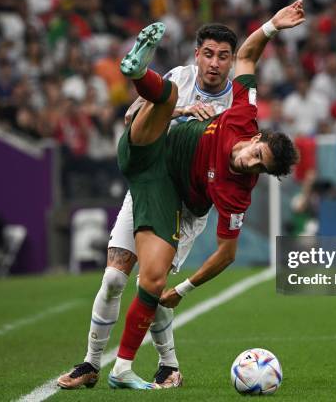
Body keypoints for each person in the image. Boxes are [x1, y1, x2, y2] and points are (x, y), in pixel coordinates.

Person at [105, 0, 302, 390]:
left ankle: (121, 370)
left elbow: (227, 253)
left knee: (154, 279)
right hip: (150, 152)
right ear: (256, 138)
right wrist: (273, 26)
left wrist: (185, 289)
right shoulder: (244, 112)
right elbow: (248, 54)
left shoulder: (236, 193)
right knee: (168, 97)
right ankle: (139, 71)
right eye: (256, 154)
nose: (250, 163)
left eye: (260, 167)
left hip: (165, 190)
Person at [58, 24, 238, 389]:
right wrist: (181, 110)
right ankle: (91, 364)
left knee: (149, 284)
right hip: (148, 184)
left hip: (185, 204)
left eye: (223, 56)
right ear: (196, 55)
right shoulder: (179, 79)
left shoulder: (236, 106)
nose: (215, 63)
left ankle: (167, 365)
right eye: (208, 54)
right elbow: (130, 116)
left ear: (233, 61)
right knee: (112, 279)